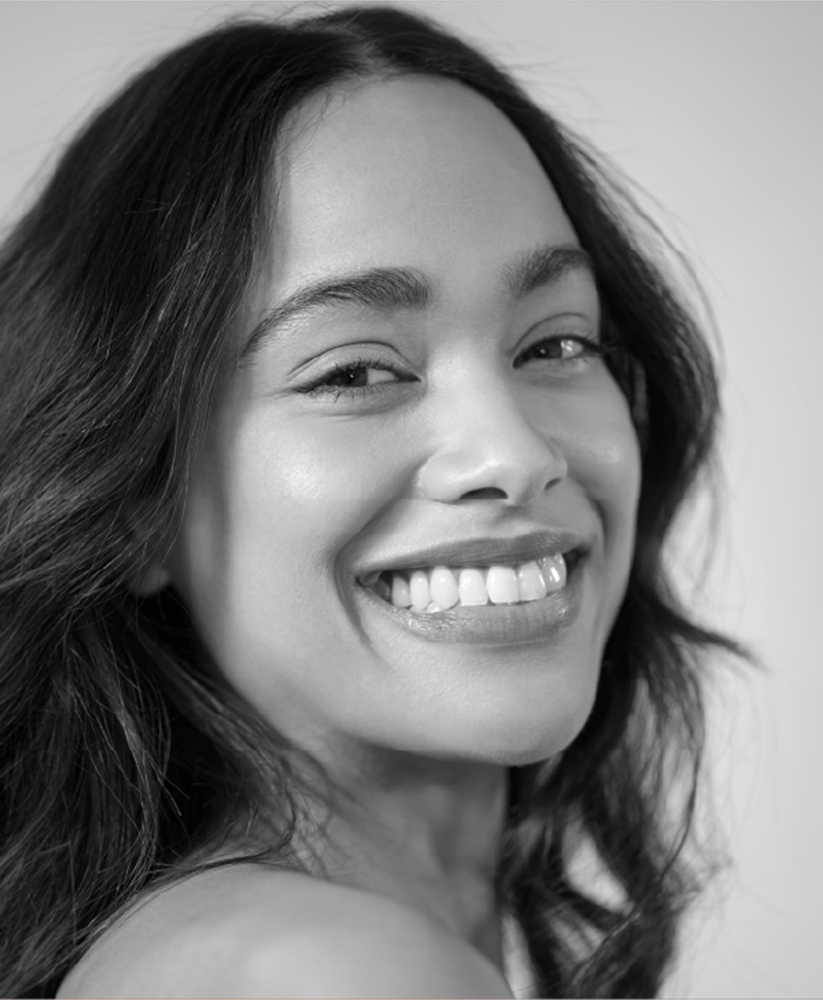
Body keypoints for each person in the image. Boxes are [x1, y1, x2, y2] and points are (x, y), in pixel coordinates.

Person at [0, 5, 743, 997]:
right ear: (138, 501)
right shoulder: (333, 972)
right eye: (354, 371)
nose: (515, 454)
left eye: (555, 342)